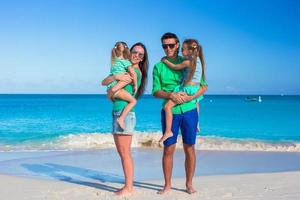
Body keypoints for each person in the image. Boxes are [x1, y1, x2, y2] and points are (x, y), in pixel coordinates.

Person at [152, 33, 206, 194]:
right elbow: (155, 91)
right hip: (171, 111)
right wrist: (171, 95)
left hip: (189, 109)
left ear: (177, 46)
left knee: (190, 147)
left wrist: (190, 97)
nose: (167, 48)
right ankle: (167, 185)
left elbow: (203, 86)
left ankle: (189, 184)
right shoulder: (158, 67)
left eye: (170, 45)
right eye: (164, 46)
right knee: (168, 148)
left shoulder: (190, 61)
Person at [102, 42, 148, 196]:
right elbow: (105, 83)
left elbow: (111, 90)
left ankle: (128, 187)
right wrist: (115, 78)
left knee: (125, 153)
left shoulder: (134, 72)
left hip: (125, 114)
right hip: (117, 112)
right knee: (122, 153)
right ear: (129, 52)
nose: (136, 55)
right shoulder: (122, 68)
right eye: (134, 52)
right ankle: (128, 185)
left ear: (142, 58)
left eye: (140, 54)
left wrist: (113, 88)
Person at [159, 39, 208, 143]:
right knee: (196, 103)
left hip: (187, 89)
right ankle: (197, 123)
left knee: (167, 107)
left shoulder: (188, 62)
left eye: (183, 49)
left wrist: (165, 61)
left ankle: (168, 131)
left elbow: (175, 67)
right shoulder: (199, 61)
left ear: (190, 51)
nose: (181, 51)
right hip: (195, 88)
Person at [106, 41, 138, 130]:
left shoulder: (114, 63)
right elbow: (134, 73)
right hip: (117, 88)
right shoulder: (125, 62)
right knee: (133, 101)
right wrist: (135, 85)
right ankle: (121, 118)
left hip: (111, 87)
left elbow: (105, 81)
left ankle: (113, 95)